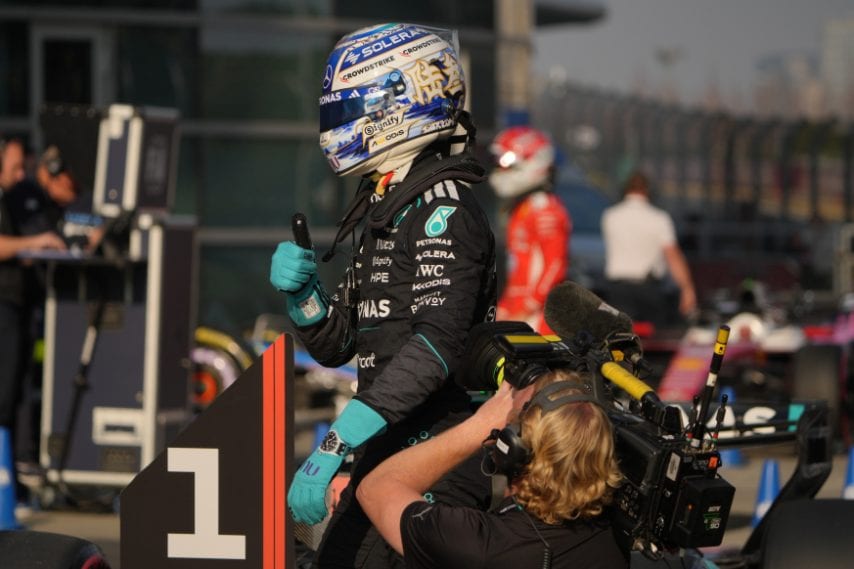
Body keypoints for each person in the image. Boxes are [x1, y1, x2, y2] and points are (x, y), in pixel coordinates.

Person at [269, 23, 497, 568]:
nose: (335, 127)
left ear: (400, 104)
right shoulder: (388, 202)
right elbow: (340, 344)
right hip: (387, 448)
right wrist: (304, 296)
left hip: (439, 458)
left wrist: (336, 442)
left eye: (347, 110)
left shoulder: (445, 208)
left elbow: (435, 347)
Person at [357, 369, 628, 569]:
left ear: (512, 447)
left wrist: (480, 424)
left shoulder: (477, 544)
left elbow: (375, 489)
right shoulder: (614, 527)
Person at [0, 137, 66, 504]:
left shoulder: (16, 197)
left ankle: (15, 478)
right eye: (14, 167)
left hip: (20, 303)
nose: (20, 175)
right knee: (5, 393)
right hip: (4, 305)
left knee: (18, 388)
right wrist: (34, 243)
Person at [489, 126, 570, 334]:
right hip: (517, 309)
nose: (500, 170)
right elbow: (518, 271)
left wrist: (527, 307)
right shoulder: (522, 208)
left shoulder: (545, 209)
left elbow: (555, 266)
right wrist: (505, 308)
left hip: (537, 318)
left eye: (508, 163)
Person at [601, 170, 696, 326]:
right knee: (653, 337)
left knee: (620, 336)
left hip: (618, 290)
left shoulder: (610, 216)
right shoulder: (659, 218)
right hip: (648, 288)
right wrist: (687, 288)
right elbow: (672, 255)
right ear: (648, 191)